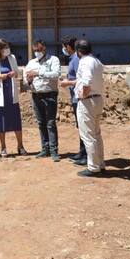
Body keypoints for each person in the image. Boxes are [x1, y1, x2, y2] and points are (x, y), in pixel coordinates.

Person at [0, 38, 26, 157]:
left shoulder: (12, 58)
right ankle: (3, 147)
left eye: (8, 47)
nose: (8, 50)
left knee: (16, 122)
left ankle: (20, 146)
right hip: (0, 95)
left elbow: (17, 72)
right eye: (5, 48)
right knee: (1, 123)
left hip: (11, 94)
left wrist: (14, 73)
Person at [24, 39, 62, 162]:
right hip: (36, 95)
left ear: (44, 48)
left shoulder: (53, 60)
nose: (37, 52)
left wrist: (38, 73)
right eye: (35, 50)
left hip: (50, 95)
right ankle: (45, 148)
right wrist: (28, 80)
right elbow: (25, 79)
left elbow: (56, 74)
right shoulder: (31, 63)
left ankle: (54, 150)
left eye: (39, 50)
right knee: (41, 123)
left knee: (50, 123)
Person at [73, 39, 106, 177]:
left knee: (88, 135)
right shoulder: (96, 61)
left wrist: (83, 95)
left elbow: (87, 81)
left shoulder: (85, 62)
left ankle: (93, 167)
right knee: (96, 134)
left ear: (78, 51)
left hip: (88, 101)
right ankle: (100, 163)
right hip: (97, 99)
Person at [59, 36, 87, 164]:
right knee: (80, 126)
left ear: (68, 47)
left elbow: (80, 79)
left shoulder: (76, 59)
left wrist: (68, 83)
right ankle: (82, 152)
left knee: (83, 127)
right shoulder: (73, 58)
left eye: (64, 47)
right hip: (75, 97)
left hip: (78, 98)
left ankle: (85, 155)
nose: (63, 49)